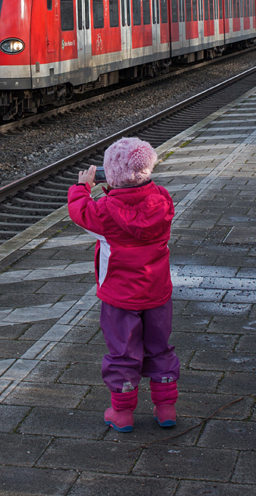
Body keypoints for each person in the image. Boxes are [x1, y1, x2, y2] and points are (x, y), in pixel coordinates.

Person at [67, 137, 179, 432]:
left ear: (113, 175)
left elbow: (79, 212)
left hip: (120, 299)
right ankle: (166, 408)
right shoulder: (163, 199)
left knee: (123, 353)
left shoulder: (104, 211)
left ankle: (123, 413)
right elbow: (143, 198)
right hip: (157, 293)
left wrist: (82, 187)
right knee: (160, 349)